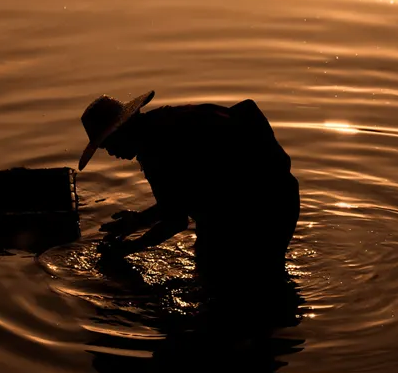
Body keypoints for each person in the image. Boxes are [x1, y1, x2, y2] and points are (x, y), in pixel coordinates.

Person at [77, 91, 300, 287]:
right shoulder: (164, 123)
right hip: (279, 197)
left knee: (219, 282)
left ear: (122, 130)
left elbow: (176, 220)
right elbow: (183, 200)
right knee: (260, 279)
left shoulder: (157, 151)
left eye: (108, 144)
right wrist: (137, 222)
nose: (110, 153)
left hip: (258, 210)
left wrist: (126, 250)